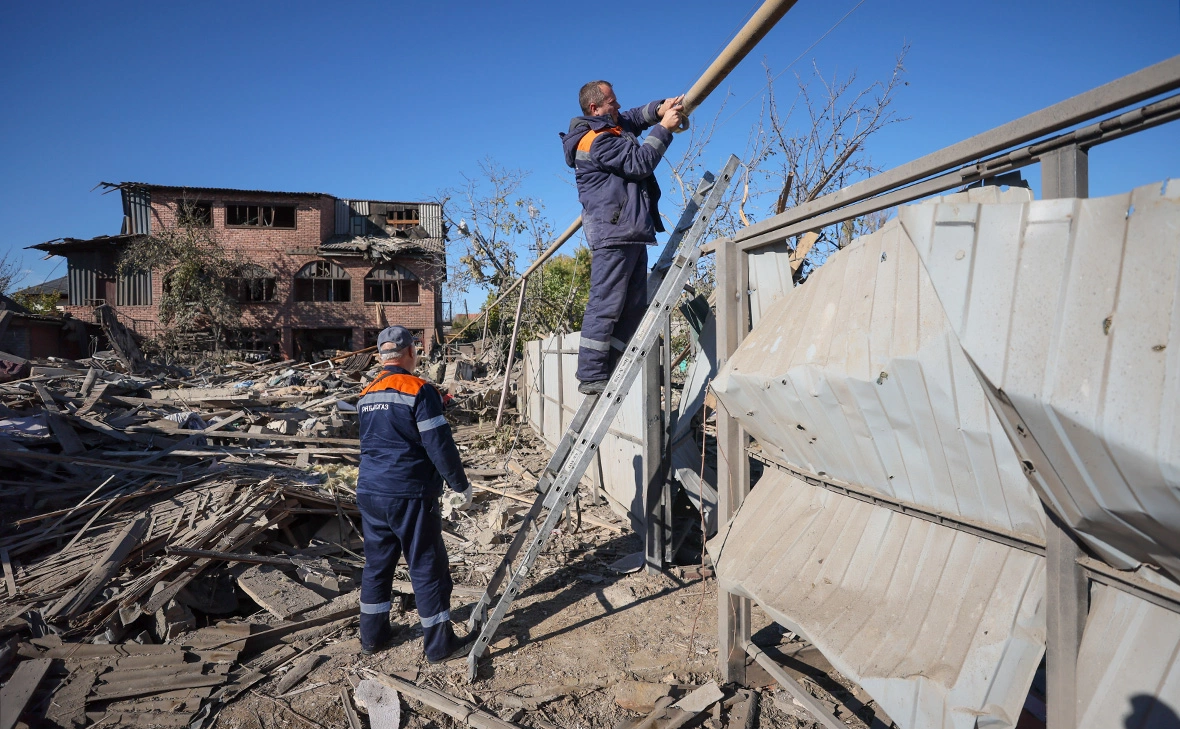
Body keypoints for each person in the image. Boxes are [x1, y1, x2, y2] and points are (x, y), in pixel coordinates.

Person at [355, 325, 474, 660]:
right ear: (410, 352)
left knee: (377, 566)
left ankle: (372, 637)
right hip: (408, 493)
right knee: (426, 565)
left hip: (371, 492)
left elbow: (383, 439)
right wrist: (460, 485)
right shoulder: (418, 390)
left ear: (381, 356)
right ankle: (439, 645)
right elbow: (439, 446)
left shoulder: (367, 393)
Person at [560, 80, 685, 394]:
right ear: (595, 108)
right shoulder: (597, 141)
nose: (617, 106)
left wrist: (659, 109)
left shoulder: (611, 126)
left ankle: (612, 363)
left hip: (628, 232)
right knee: (605, 305)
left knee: (632, 307)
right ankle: (591, 375)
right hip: (613, 233)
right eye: (612, 102)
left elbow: (632, 117)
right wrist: (665, 128)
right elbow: (640, 163)